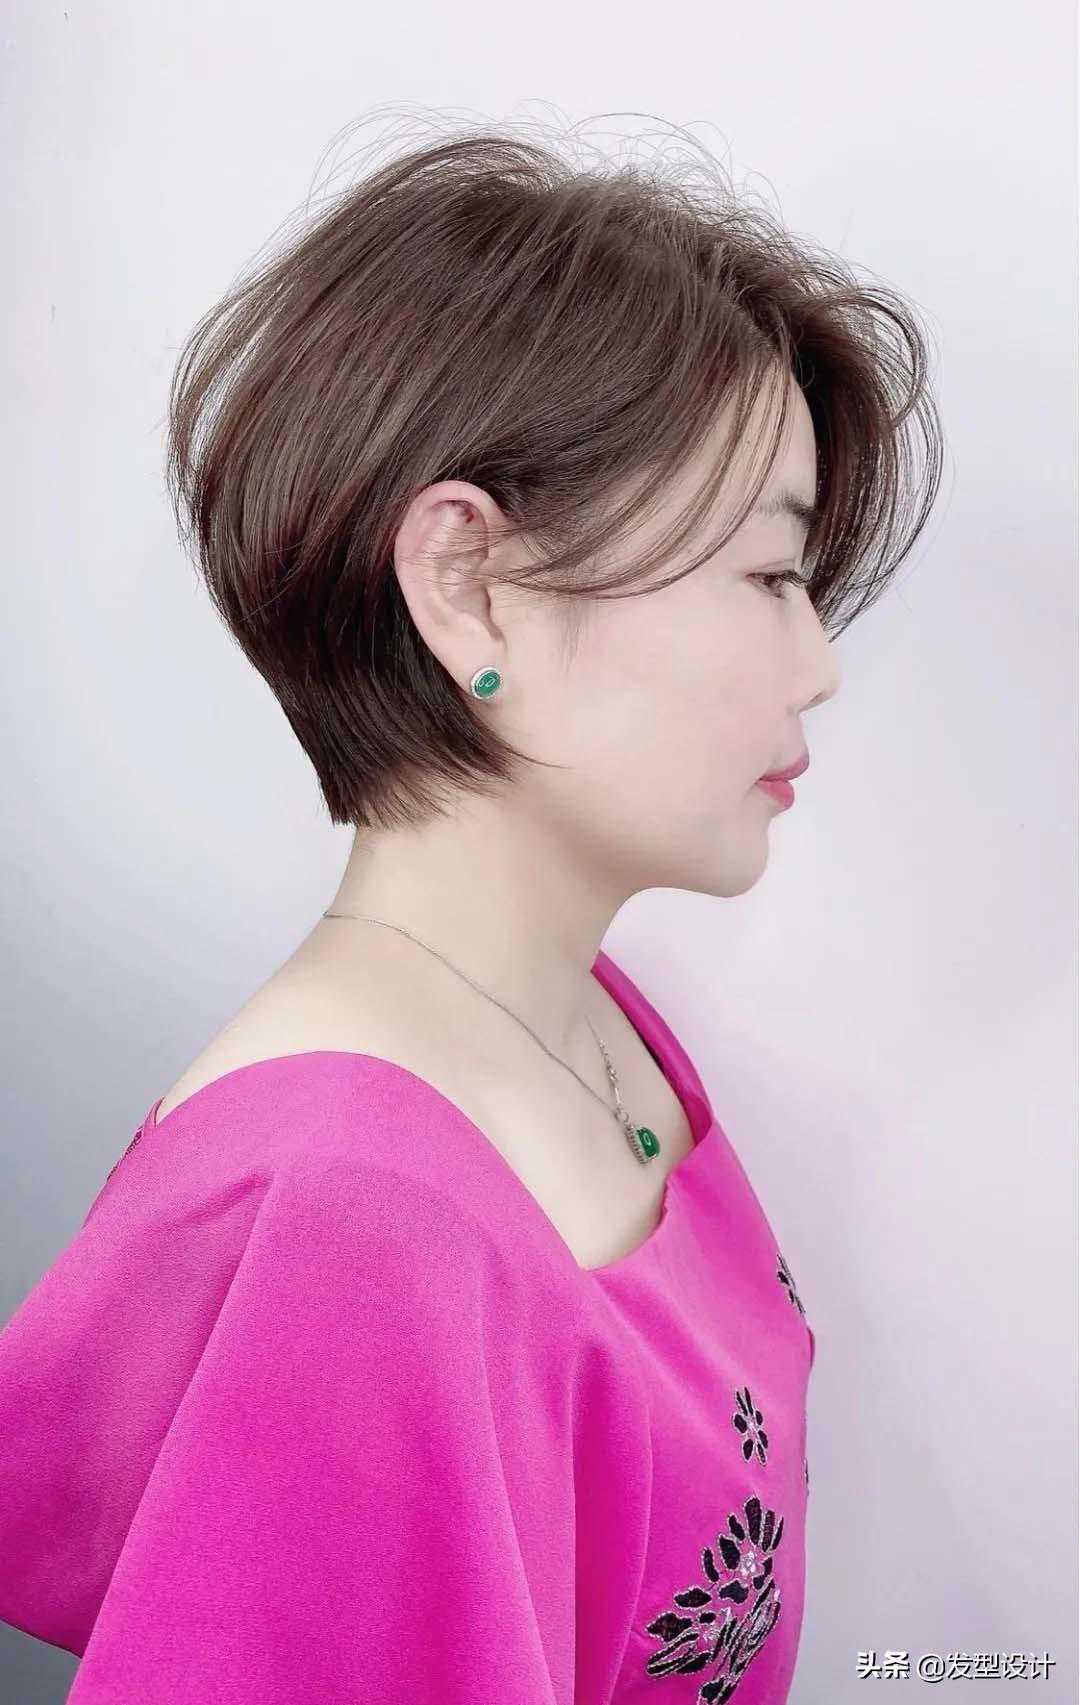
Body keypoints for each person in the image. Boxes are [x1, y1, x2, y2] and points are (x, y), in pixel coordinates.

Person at [0, 115, 943, 1703]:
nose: (819, 663)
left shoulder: (595, 1021)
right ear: (472, 586)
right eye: (772, 576)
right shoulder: (361, 1222)